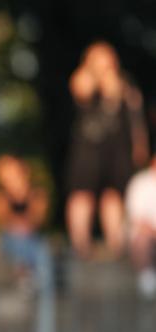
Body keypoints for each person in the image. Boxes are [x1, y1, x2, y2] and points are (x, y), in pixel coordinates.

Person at [66, 41, 148, 259]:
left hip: (117, 148)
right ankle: (80, 244)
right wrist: (100, 77)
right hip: (88, 147)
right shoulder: (83, 76)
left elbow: (135, 113)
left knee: (113, 194)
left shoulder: (125, 81)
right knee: (83, 194)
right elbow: (81, 91)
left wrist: (140, 144)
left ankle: (116, 243)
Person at [0, 154, 50, 287]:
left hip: (31, 238)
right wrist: (20, 224)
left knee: (29, 243)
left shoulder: (37, 192)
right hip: (9, 238)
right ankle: (26, 275)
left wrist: (22, 224)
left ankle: (26, 275)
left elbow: (38, 219)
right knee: (17, 241)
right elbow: (3, 220)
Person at [126, 156, 156, 298]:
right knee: (143, 240)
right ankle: (147, 280)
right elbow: (136, 219)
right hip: (143, 235)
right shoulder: (140, 183)